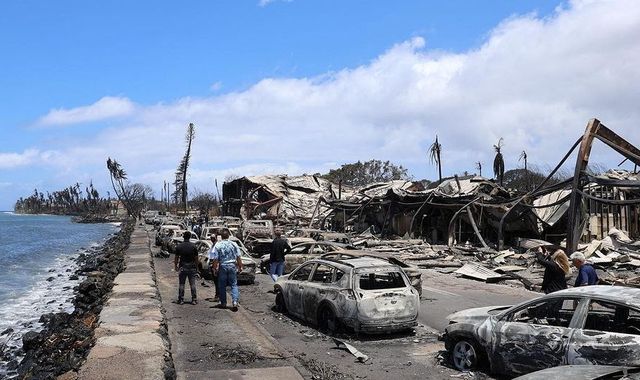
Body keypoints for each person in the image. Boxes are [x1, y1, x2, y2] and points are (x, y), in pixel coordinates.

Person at [209, 229, 243, 310]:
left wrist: (214, 268)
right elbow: (238, 256)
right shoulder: (234, 244)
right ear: (228, 236)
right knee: (234, 284)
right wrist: (240, 266)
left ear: (221, 236)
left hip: (223, 266)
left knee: (222, 285)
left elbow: (216, 259)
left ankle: (223, 302)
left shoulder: (218, 245)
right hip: (232, 266)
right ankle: (235, 302)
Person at [174, 231, 198, 304]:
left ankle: (181, 299)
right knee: (192, 284)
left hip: (182, 267)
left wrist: (176, 266)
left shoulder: (179, 246)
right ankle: (194, 299)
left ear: (183, 237)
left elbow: (176, 258)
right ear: (190, 237)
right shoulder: (193, 246)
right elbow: (196, 258)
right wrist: (196, 267)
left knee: (182, 284)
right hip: (192, 267)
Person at [206, 235, 221, 302]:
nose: (211, 239)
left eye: (213, 238)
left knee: (217, 281)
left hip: (215, 265)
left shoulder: (217, 246)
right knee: (216, 281)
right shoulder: (213, 245)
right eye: (211, 238)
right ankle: (217, 295)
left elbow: (216, 257)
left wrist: (214, 267)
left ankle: (218, 296)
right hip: (212, 264)